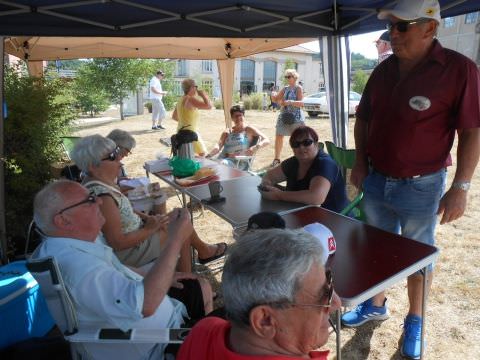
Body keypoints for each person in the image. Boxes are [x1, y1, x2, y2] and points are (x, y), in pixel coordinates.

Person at [342, 1, 480, 358]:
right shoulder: (383, 71)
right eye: (391, 27)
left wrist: (460, 188)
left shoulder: (459, 70)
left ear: (429, 28)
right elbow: (363, 119)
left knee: (417, 256)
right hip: (376, 180)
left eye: (402, 26)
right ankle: (376, 304)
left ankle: (415, 321)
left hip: (422, 185)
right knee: (378, 248)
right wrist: (359, 162)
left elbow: (471, 132)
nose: (393, 34)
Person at [31, 180, 212, 360]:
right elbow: (145, 306)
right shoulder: (79, 268)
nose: (100, 202)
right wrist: (175, 240)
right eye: (90, 199)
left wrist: (157, 275)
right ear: (63, 220)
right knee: (228, 327)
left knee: (197, 285)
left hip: (160, 315)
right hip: (160, 342)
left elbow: (115, 268)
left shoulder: (70, 244)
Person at [177, 228, 341, 360]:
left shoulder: (204, 330)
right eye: (323, 295)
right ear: (265, 321)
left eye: (329, 281)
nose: (336, 303)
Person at [71, 135, 227, 272]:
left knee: (180, 215)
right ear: (93, 165)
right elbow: (118, 243)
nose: (120, 160)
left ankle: (194, 265)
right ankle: (191, 273)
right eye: (112, 156)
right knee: (182, 224)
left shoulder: (99, 183)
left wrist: (147, 219)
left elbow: (121, 210)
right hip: (132, 251)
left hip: (137, 236)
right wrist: (149, 229)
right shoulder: (102, 196)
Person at [259, 126, 349, 213]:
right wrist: (267, 186)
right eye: (296, 144)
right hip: (302, 215)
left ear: (316, 144)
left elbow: (316, 197)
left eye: (307, 142)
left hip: (334, 218)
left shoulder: (325, 163)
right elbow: (269, 176)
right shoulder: (294, 162)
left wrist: (279, 195)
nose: (301, 147)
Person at [206, 104, 270, 170]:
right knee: (207, 166)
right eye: (236, 116)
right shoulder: (228, 131)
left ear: (244, 116)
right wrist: (209, 155)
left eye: (240, 115)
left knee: (219, 165)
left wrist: (255, 147)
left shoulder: (248, 129)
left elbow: (266, 140)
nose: (238, 118)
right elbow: (218, 146)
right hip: (223, 160)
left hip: (238, 163)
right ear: (232, 118)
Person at [271, 69, 305, 167]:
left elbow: (301, 104)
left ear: (295, 77)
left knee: (297, 138)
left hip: (296, 117)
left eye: (289, 76)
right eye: (286, 77)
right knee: (278, 136)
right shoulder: (285, 88)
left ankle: (299, 158)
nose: (287, 78)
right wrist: (273, 95)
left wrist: (289, 102)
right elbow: (276, 99)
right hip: (284, 116)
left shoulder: (298, 88)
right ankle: (276, 159)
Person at [172, 79, 212, 156]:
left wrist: (185, 121)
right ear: (192, 88)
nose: (196, 89)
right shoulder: (190, 99)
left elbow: (174, 117)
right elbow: (209, 106)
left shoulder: (180, 99)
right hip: (189, 133)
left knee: (187, 155)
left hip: (181, 131)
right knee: (202, 154)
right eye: (196, 86)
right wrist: (203, 95)